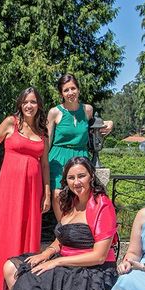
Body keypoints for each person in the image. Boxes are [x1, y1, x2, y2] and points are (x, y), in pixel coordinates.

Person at [3, 156, 118, 290]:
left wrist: (56, 262)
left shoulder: (103, 206)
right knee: (12, 267)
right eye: (71, 177)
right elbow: (61, 238)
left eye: (81, 176)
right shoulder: (70, 201)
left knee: (40, 279)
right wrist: (46, 253)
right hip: (64, 258)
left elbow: (99, 256)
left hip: (93, 270)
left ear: (91, 176)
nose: (77, 182)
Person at [0, 87, 51, 290]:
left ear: (39, 105)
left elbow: (44, 164)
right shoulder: (11, 123)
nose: (29, 105)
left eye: (34, 102)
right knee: (6, 231)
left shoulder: (42, 132)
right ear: (20, 103)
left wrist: (46, 191)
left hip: (32, 190)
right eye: (26, 101)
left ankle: (22, 288)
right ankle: (0, 288)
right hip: (10, 188)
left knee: (27, 232)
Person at [47, 73, 113, 221]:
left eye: (73, 88)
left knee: (81, 195)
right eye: (66, 90)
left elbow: (99, 123)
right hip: (59, 156)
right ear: (61, 93)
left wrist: (110, 123)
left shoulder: (87, 110)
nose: (70, 93)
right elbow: (47, 140)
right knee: (58, 194)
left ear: (78, 89)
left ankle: (78, 227)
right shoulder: (54, 112)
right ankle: (62, 229)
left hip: (80, 155)